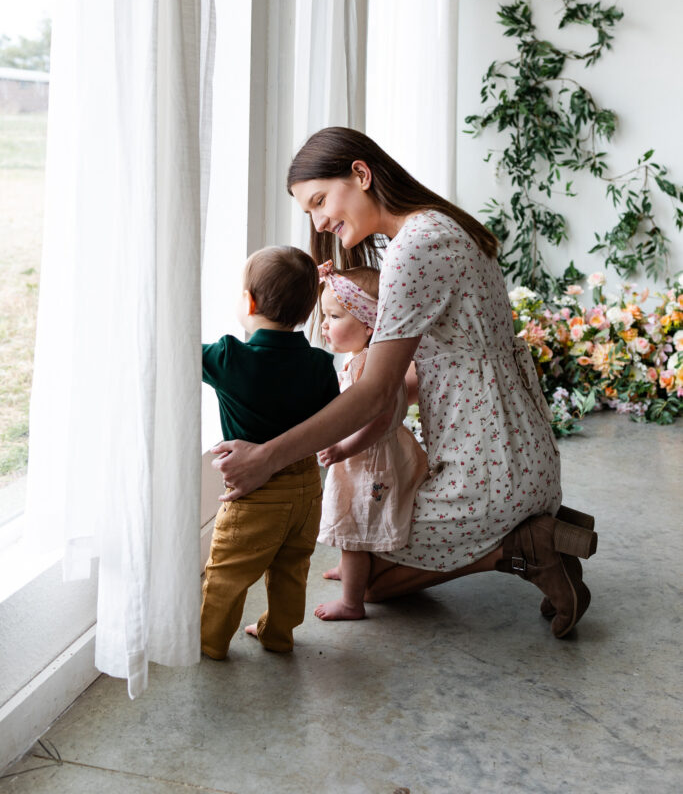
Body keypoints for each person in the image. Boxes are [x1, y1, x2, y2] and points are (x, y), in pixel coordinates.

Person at [210, 128, 597, 639]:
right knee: (359, 556)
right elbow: (419, 374)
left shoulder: (415, 248)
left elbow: (376, 392)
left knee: (365, 572)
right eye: (309, 212)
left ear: (361, 175)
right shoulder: (435, 229)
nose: (320, 221)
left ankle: (526, 548)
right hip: (522, 457)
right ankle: (533, 531)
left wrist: (268, 458)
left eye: (320, 200)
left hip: (489, 472)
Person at [200, 245, 339, 658]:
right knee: (291, 569)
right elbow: (328, 418)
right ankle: (278, 634)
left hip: (256, 496)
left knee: (227, 574)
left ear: (248, 301)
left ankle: (210, 643)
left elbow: (178, 347)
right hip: (306, 489)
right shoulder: (319, 363)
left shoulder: (229, 357)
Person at [314, 261, 428, 621]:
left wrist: (343, 447)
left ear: (367, 326)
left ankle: (352, 602)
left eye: (333, 316)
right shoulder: (359, 359)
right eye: (324, 315)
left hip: (369, 460)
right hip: (365, 458)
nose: (324, 325)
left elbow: (379, 421)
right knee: (352, 518)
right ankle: (351, 570)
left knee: (357, 529)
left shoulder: (372, 368)